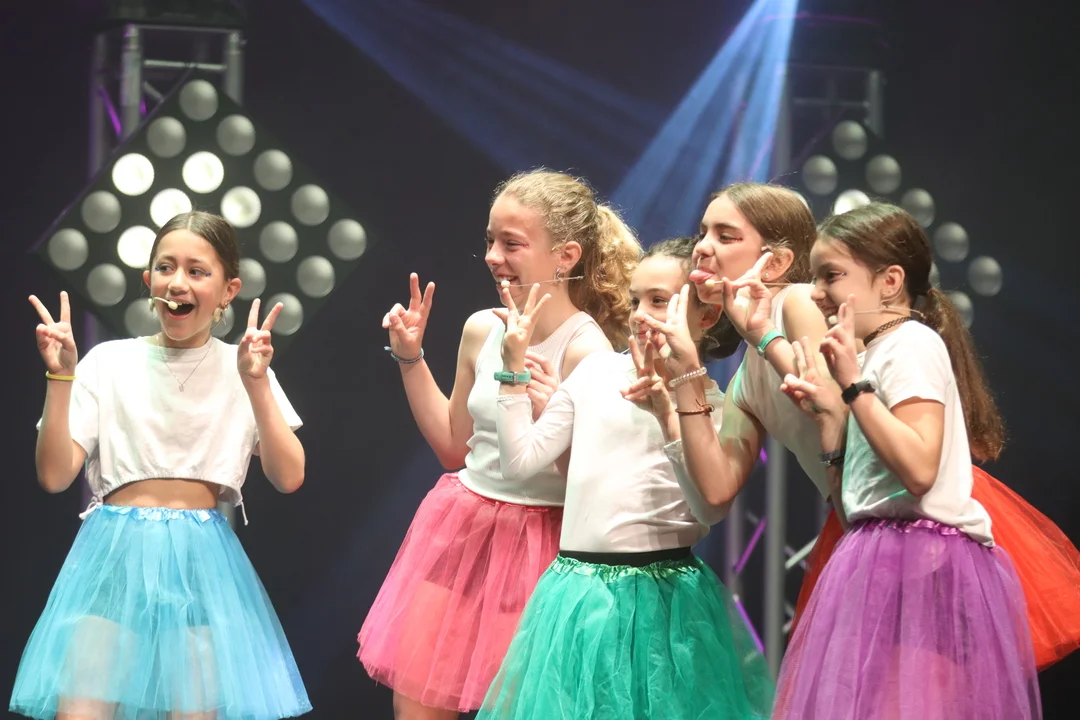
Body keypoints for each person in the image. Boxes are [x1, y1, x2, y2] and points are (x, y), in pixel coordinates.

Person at [357, 169, 641, 720]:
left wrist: (550, 415)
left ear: (565, 256)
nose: (492, 257)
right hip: (463, 526)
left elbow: (598, 484)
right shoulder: (481, 328)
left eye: (512, 244)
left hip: (541, 543)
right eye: (490, 241)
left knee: (520, 706)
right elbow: (453, 446)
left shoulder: (588, 352)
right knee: (417, 700)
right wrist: (410, 357)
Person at [10, 211, 311, 720]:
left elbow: (289, 476)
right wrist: (60, 378)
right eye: (166, 268)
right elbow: (54, 475)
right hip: (114, 558)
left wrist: (257, 383)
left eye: (197, 271)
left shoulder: (242, 366)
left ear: (229, 289)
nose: (178, 282)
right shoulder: (108, 362)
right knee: (82, 709)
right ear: (149, 280)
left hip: (200, 563)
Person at [477, 237, 774, 720]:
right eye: (636, 300)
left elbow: (709, 507)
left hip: (667, 601)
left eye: (659, 301)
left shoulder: (717, 410)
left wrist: (668, 417)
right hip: (578, 593)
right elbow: (519, 463)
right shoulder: (595, 372)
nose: (640, 314)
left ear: (705, 316)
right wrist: (512, 372)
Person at [772, 201, 1040, 718]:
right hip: (875, 552)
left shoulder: (911, 344)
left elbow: (918, 471)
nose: (816, 292)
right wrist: (830, 419)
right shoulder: (874, 353)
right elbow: (854, 506)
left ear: (890, 281)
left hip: (920, 559)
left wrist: (853, 387)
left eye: (831, 275)